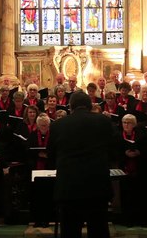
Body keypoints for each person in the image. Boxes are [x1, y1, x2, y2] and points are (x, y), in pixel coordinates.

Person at [48, 91, 114, 238]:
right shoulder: (103, 121)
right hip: (97, 184)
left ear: (71, 106)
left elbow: (51, 155)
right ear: (90, 105)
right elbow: (113, 149)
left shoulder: (58, 125)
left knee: (70, 231)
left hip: (69, 186)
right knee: (99, 229)